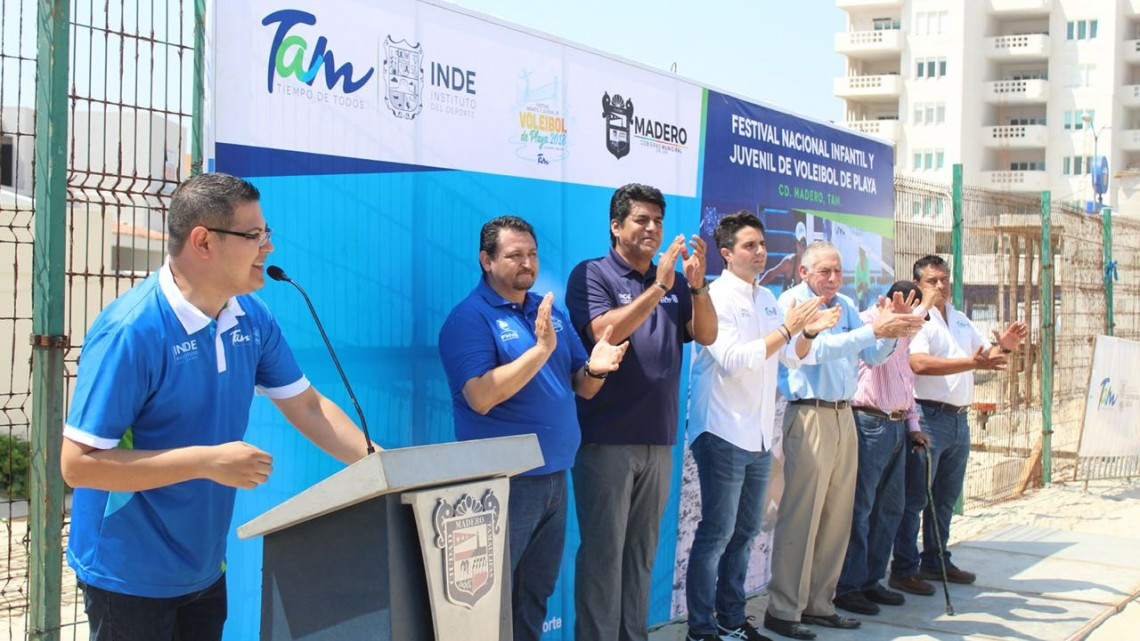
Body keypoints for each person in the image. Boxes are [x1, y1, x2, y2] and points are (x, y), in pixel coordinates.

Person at [60, 172, 376, 641]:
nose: (268, 248)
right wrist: (209, 462)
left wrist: (384, 468)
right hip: (128, 573)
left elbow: (308, 407)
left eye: (267, 234)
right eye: (254, 236)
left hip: (204, 567)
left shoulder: (251, 316)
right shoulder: (131, 331)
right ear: (203, 241)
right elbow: (78, 466)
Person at [438, 215, 628, 641]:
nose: (527, 263)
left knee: (533, 595)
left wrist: (596, 369)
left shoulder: (547, 309)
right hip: (501, 485)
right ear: (486, 260)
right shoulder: (469, 318)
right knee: (489, 602)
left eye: (532, 254)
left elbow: (583, 385)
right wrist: (541, 350)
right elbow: (481, 396)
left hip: (554, 478)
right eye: (514, 255)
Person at [566, 182, 717, 641]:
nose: (652, 228)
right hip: (607, 440)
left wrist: (696, 286)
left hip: (658, 439)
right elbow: (603, 333)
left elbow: (706, 334)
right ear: (616, 226)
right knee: (603, 557)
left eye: (658, 220)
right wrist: (658, 288)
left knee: (640, 557)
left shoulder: (671, 279)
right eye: (641, 220)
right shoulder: (593, 274)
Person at [684, 212, 839, 641]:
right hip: (721, 431)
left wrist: (805, 332)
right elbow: (735, 359)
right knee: (717, 533)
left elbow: (794, 358)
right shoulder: (715, 296)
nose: (759, 252)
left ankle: (731, 621)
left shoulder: (767, 298)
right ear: (727, 253)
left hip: (755, 434)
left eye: (762, 245)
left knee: (746, 531)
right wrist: (790, 329)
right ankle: (701, 630)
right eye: (749, 246)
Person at [763, 241, 925, 641]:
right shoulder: (791, 303)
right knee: (801, 516)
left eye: (838, 271)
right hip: (810, 414)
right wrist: (874, 330)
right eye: (825, 272)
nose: (834, 279)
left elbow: (873, 356)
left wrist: (890, 332)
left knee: (837, 517)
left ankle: (821, 602)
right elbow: (814, 352)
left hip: (843, 414)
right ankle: (784, 608)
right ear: (804, 272)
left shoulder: (847, 305)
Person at [889, 255, 1029, 596]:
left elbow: (985, 355)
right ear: (918, 284)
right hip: (927, 416)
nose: (940, 287)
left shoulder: (961, 318)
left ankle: (935, 560)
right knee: (916, 497)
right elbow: (918, 363)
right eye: (932, 281)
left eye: (944, 280)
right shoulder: (918, 320)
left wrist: (1005, 348)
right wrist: (971, 361)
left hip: (958, 418)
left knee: (946, 496)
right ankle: (904, 568)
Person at [832, 280, 930, 617]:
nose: (914, 325)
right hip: (870, 423)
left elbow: (906, 382)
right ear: (890, 301)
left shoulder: (904, 331)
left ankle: (873, 580)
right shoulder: (867, 322)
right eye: (910, 314)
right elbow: (875, 362)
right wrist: (892, 326)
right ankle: (849, 586)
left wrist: (913, 427)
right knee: (862, 509)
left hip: (897, 425)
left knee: (891, 508)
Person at [758, 220, 807, 291]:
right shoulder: (789, 262)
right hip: (787, 301)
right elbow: (771, 274)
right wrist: (757, 286)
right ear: (796, 245)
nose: (803, 247)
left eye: (805, 244)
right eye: (801, 244)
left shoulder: (811, 264)